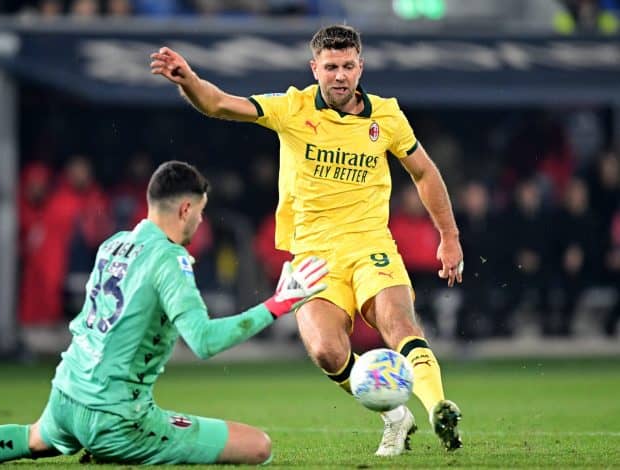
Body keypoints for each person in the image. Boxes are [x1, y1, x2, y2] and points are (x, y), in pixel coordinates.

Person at [0, 161, 328, 466]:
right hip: (116, 418)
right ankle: (115, 451)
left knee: (33, 439)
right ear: (184, 209)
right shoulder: (171, 259)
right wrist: (276, 305)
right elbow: (203, 341)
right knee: (258, 447)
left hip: (67, 395)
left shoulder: (115, 244)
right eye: (199, 212)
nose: (202, 222)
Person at [151, 24, 464, 456]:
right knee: (325, 350)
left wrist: (449, 236)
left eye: (348, 66)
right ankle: (394, 415)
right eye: (331, 66)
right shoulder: (292, 108)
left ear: (360, 67)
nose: (340, 75)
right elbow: (221, 104)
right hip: (314, 256)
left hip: (370, 244)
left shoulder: (386, 116)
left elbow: (424, 171)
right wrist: (190, 80)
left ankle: (437, 408)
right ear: (314, 67)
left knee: (398, 323)